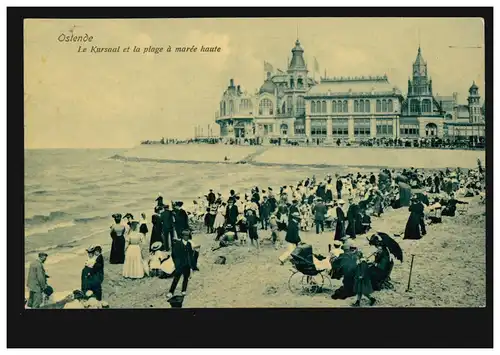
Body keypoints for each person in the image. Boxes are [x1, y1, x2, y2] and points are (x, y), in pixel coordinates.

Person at [166, 230, 197, 299]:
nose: (186, 237)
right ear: (182, 236)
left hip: (187, 265)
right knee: (176, 278)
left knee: (186, 278)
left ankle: (183, 290)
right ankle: (171, 292)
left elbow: (191, 255)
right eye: (185, 236)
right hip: (179, 265)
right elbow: (174, 254)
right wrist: (176, 263)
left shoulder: (189, 244)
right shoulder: (178, 244)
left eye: (187, 236)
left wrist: (192, 265)